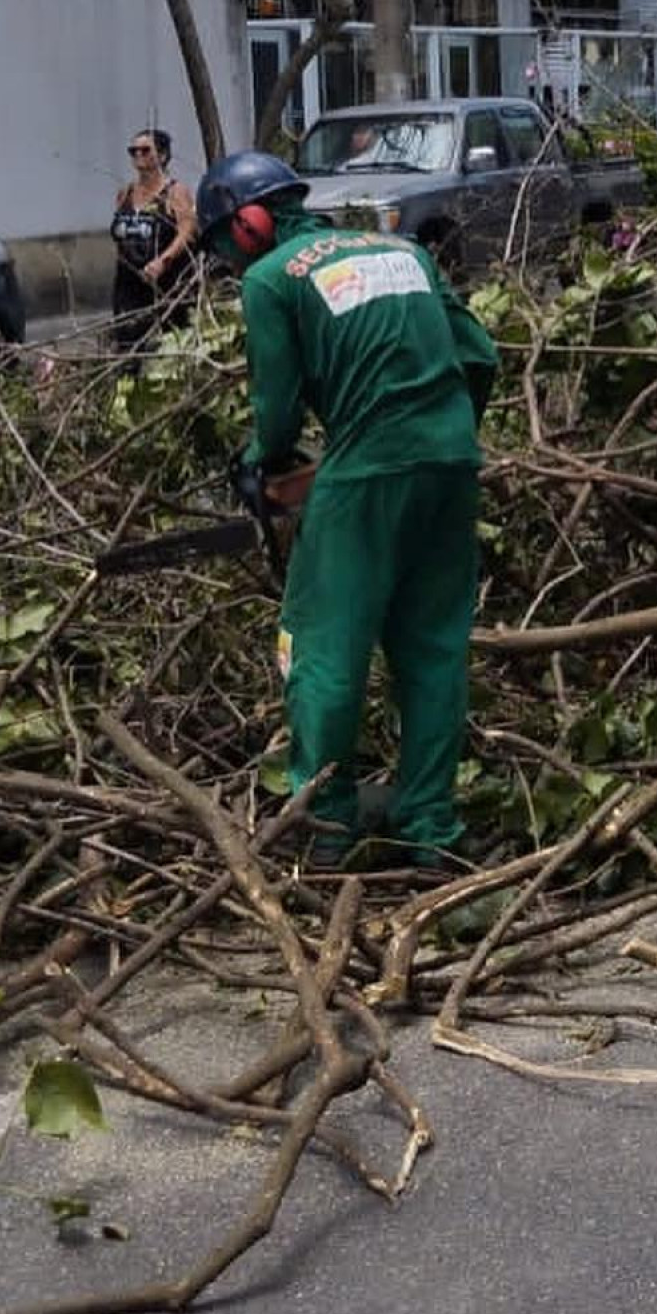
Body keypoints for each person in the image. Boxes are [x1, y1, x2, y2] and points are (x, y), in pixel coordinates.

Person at [195, 149, 499, 870]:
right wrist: (441, 437)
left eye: (223, 253)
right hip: (452, 461)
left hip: (366, 473)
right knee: (432, 649)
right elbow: (479, 356)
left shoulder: (271, 279)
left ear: (249, 225)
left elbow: (275, 412)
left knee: (323, 646)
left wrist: (259, 466)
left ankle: (327, 826)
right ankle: (430, 827)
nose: (230, 267)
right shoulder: (403, 252)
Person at [110, 129, 196, 352]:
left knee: (172, 339)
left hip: (166, 279)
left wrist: (163, 260)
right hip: (130, 280)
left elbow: (187, 231)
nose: (139, 155)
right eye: (133, 151)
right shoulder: (125, 194)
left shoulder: (174, 192)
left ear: (163, 155)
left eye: (146, 150)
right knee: (128, 338)